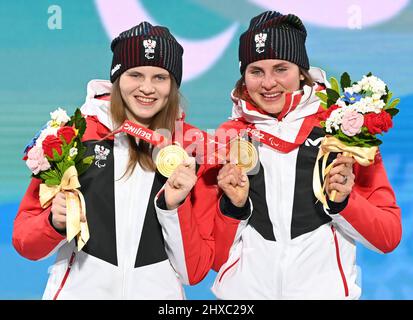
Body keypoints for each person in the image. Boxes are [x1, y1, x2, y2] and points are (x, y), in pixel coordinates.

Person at [13, 21, 218, 299]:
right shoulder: (75, 136)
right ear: (117, 77)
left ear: (173, 85)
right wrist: (54, 223)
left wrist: (174, 206)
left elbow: (193, 272)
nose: (147, 88)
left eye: (160, 77)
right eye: (135, 74)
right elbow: (26, 243)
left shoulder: (190, 149)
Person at [211, 11, 402, 299]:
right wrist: (234, 208)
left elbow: (387, 236)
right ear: (244, 75)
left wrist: (343, 203)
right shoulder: (231, 135)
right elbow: (213, 256)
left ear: (302, 71)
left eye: (281, 69)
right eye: (256, 71)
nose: (268, 83)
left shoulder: (342, 131)